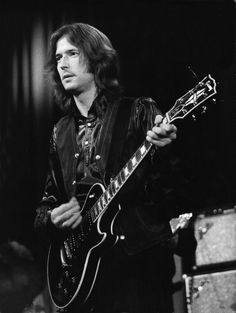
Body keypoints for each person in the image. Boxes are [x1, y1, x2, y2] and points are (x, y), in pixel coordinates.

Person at [34, 22, 193, 313]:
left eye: (72, 53)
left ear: (96, 59)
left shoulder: (138, 111)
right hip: (84, 275)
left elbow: (177, 193)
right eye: (58, 58)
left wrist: (167, 151)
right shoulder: (60, 132)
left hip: (137, 270)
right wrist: (52, 218)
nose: (62, 64)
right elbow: (46, 205)